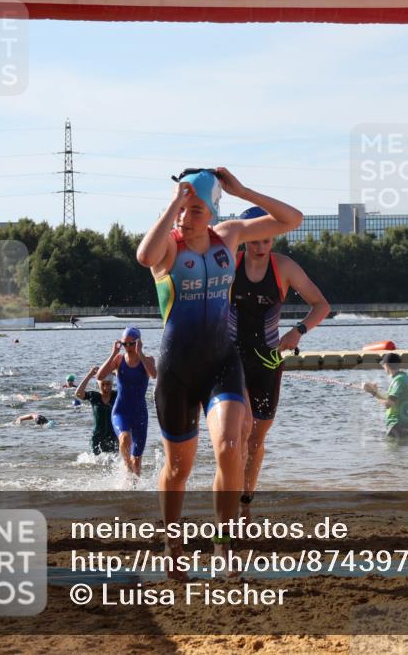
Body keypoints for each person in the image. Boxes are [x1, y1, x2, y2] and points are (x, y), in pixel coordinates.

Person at [136, 166, 302, 576]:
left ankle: (223, 544)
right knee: (179, 469)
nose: (185, 218)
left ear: (211, 211)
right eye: (180, 209)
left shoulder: (229, 236)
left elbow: (291, 220)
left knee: (231, 447)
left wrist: (243, 190)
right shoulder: (169, 250)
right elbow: (144, 257)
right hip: (177, 371)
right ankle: (173, 539)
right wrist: (176, 200)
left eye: (195, 210)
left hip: (221, 365)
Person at [232, 206, 331, 517]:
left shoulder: (284, 268)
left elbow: (321, 305)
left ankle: (246, 500)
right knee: (240, 430)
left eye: (266, 241)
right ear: (244, 238)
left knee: (257, 438)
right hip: (232, 359)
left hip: (269, 361)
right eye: (254, 241)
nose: (260, 247)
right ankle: (229, 501)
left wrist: (298, 331)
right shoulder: (229, 265)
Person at [97, 326, 157, 477]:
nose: (128, 347)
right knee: (124, 439)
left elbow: (154, 374)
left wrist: (140, 353)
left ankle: (134, 488)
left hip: (139, 414)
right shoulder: (118, 360)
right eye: (125, 344)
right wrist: (113, 353)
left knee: (137, 462)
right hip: (121, 411)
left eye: (132, 344)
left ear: (138, 342)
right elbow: (99, 376)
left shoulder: (147, 359)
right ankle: (126, 468)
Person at [363, 353, 408, 437]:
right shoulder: (404, 376)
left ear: (386, 365)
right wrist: (375, 391)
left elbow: (389, 404)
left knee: (392, 449)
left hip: (397, 425)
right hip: (405, 425)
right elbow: (390, 400)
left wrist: (372, 392)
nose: (383, 367)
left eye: (383, 365)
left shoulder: (398, 380)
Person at [75, 368, 119, 455]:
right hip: (97, 437)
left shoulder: (117, 395)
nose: (105, 387)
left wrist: (116, 373)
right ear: (98, 384)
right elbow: (78, 394)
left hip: (113, 437)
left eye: (108, 384)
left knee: (113, 463)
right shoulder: (94, 396)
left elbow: (129, 387)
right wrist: (90, 374)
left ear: (112, 384)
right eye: (102, 384)